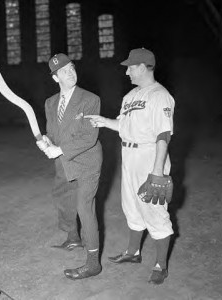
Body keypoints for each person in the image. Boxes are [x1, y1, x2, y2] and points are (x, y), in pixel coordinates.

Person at [85, 48, 175, 285]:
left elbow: (163, 135)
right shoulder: (130, 96)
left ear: (145, 66)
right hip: (129, 155)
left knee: (154, 211)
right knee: (131, 206)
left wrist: (157, 171)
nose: (127, 72)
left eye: (131, 67)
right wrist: (104, 122)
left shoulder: (160, 96)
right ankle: (133, 252)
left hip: (149, 156)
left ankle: (161, 265)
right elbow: (123, 125)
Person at [36, 53, 102, 280]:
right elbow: (53, 133)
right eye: (64, 71)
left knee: (84, 207)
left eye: (72, 67)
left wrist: (60, 150)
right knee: (64, 198)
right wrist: (47, 142)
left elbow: (89, 136)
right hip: (63, 161)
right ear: (55, 78)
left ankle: (93, 263)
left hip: (87, 161)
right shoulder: (50, 103)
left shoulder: (90, 99)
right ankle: (73, 238)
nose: (70, 73)